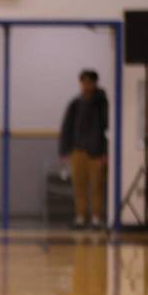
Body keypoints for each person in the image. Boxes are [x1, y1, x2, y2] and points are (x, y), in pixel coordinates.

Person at [59, 69, 108, 229]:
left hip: (97, 152)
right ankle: (80, 216)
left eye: (89, 82)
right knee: (79, 184)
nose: (86, 86)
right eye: (83, 82)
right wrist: (64, 150)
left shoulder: (102, 104)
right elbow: (67, 127)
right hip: (78, 150)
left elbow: (107, 129)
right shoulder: (75, 104)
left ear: (95, 84)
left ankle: (96, 217)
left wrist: (106, 152)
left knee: (97, 185)